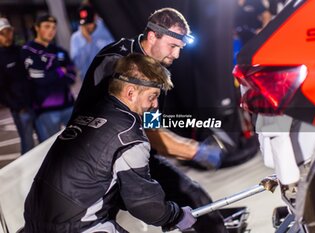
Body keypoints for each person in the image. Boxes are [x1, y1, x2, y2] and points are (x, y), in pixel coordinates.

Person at [71, 8, 228, 233]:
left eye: (180, 48)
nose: (176, 55)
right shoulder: (119, 62)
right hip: (98, 164)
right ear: (153, 36)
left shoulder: (155, 68)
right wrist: (195, 150)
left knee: (197, 204)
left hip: (130, 151)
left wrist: (180, 149)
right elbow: (145, 131)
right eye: (172, 46)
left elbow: (151, 127)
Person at [21, 53, 196, 233]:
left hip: (33, 222)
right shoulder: (129, 136)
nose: (155, 105)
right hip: (77, 226)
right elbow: (144, 204)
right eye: (152, 96)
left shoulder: (89, 113)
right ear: (130, 92)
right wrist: (176, 215)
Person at [21, 15, 77, 142]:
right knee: (52, 149)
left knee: (78, 144)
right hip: (45, 109)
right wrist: (60, 71)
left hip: (69, 106)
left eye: (53, 27)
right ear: (37, 28)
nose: (51, 30)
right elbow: (38, 78)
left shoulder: (59, 50)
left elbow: (72, 76)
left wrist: (50, 73)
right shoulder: (28, 50)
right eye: (47, 26)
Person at [0, 17, 36, 154]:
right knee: (28, 145)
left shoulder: (20, 50)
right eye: (2, 33)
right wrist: (17, 106)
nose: (7, 36)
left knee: (45, 141)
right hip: (21, 110)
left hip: (35, 104)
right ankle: (28, 175)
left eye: (8, 31)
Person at [70, 4, 114, 80]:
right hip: (90, 82)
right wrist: (87, 42)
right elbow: (78, 65)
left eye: (89, 22)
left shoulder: (106, 30)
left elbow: (115, 51)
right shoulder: (76, 38)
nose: (87, 26)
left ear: (95, 18)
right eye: (84, 23)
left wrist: (97, 42)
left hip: (111, 77)